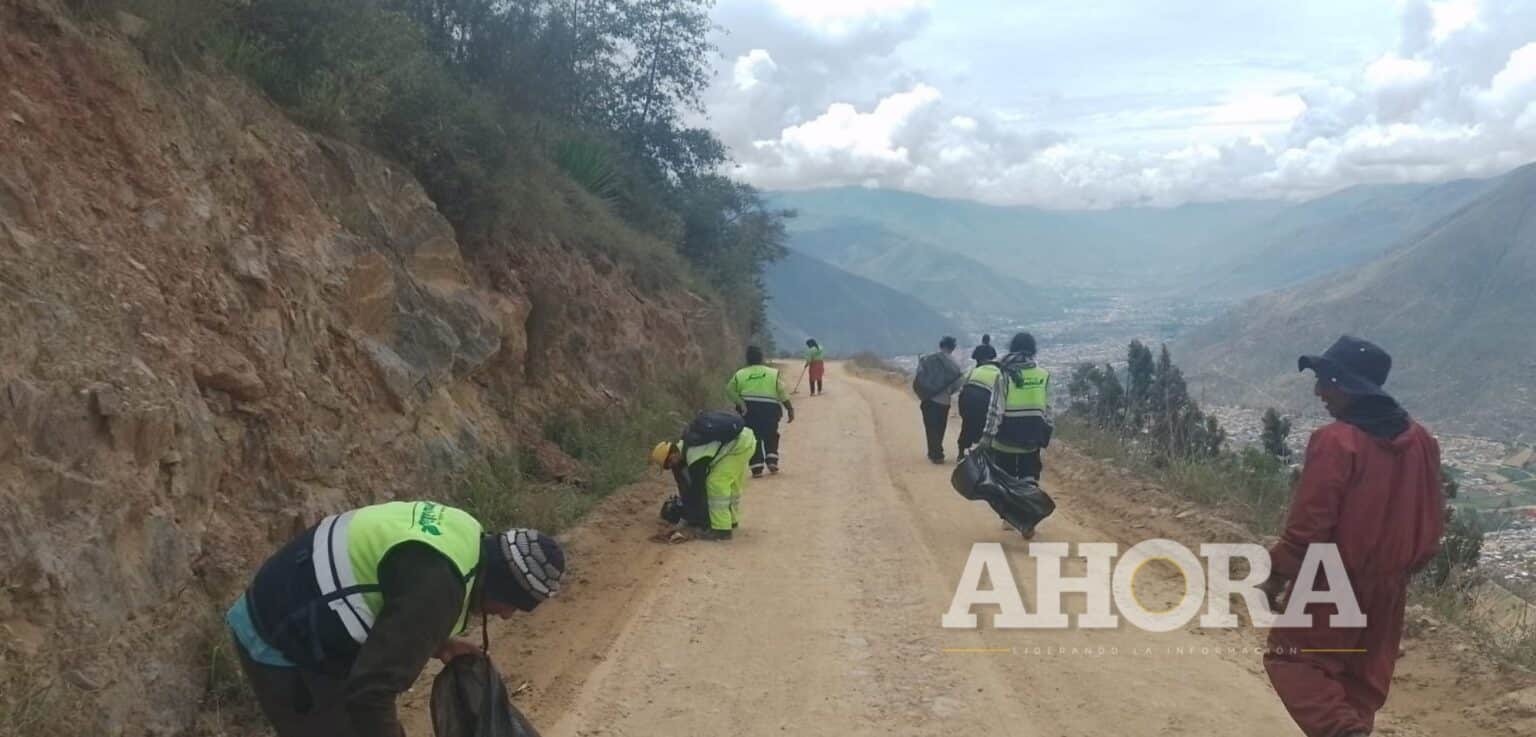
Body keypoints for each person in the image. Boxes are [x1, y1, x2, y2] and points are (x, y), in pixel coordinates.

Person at [225, 501, 565, 737]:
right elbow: (370, 693)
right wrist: (427, 626)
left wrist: (437, 641)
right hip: (277, 638)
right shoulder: (438, 586)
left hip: (301, 601)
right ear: (500, 585)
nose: (506, 616)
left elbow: (400, 587)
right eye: (511, 605)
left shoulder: (466, 535)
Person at [1258, 335, 1444, 737]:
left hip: (1334, 579)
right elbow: (1432, 526)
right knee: (1359, 684)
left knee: (1292, 660)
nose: (1319, 390)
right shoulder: (1422, 441)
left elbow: (1309, 525)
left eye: (1326, 380)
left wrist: (1278, 573)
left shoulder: (1337, 442)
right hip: (1391, 586)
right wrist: (1397, 572)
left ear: (1348, 385)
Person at [649, 422, 759, 541]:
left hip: (739, 446)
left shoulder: (695, 456)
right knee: (730, 484)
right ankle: (731, 521)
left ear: (673, 453)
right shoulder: (684, 446)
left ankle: (722, 530)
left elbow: (698, 489)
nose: (671, 466)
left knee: (715, 482)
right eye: (667, 467)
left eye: (669, 463)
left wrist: (690, 520)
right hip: (744, 439)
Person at [980, 332, 1052, 480]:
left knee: (1005, 484)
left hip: (1005, 441)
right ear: (1033, 350)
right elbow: (1048, 411)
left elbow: (995, 410)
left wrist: (986, 439)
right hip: (1032, 440)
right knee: (1029, 484)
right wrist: (1044, 436)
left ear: (1012, 349)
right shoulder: (1043, 375)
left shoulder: (1004, 375)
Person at [726, 346, 795, 476]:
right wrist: (789, 408)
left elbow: (729, 390)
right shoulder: (772, 373)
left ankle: (756, 467)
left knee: (752, 437)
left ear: (747, 359)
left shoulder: (740, 374)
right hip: (770, 409)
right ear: (762, 358)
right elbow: (782, 392)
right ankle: (772, 460)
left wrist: (740, 403)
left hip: (749, 409)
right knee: (771, 434)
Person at [917, 336, 967, 464]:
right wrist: (948, 391)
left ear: (941, 345)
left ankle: (934, 452)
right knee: (940, 427)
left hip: (927, 398)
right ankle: (936, 452)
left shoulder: (928, 359)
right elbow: (957, 384)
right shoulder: (954, 366)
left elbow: (919, 376)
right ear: (953, 348)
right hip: (944, 401)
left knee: (930, 426)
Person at [956, 349, 1001, 460]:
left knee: (967, 424)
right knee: (983, 426)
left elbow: (962, 386)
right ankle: (982, 455)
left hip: (967, 396)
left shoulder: (974, 370)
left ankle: (961, 453)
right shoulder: (1000, 373)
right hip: (985, 397)